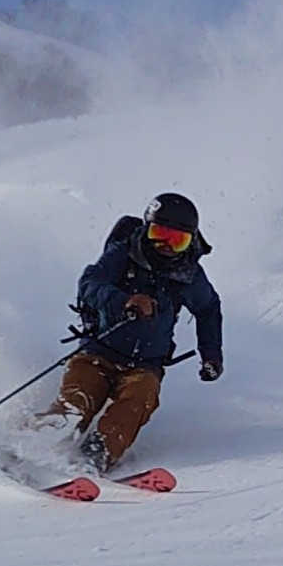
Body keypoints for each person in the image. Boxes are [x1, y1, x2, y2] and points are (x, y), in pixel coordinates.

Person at [41, 192, 223, 472]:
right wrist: (122, 301)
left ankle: (94, 458)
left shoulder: (189, 275)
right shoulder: (124, 253)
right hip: (97, 352)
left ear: (190, 241)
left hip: (145, 366)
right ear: (146, 229)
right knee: (78, 400)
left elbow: (208, 309)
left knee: (137, 401)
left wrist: (211, 356)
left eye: (177, 240)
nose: (165, 246)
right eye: (159, 234)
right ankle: (34, 443)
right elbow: (89, 282)